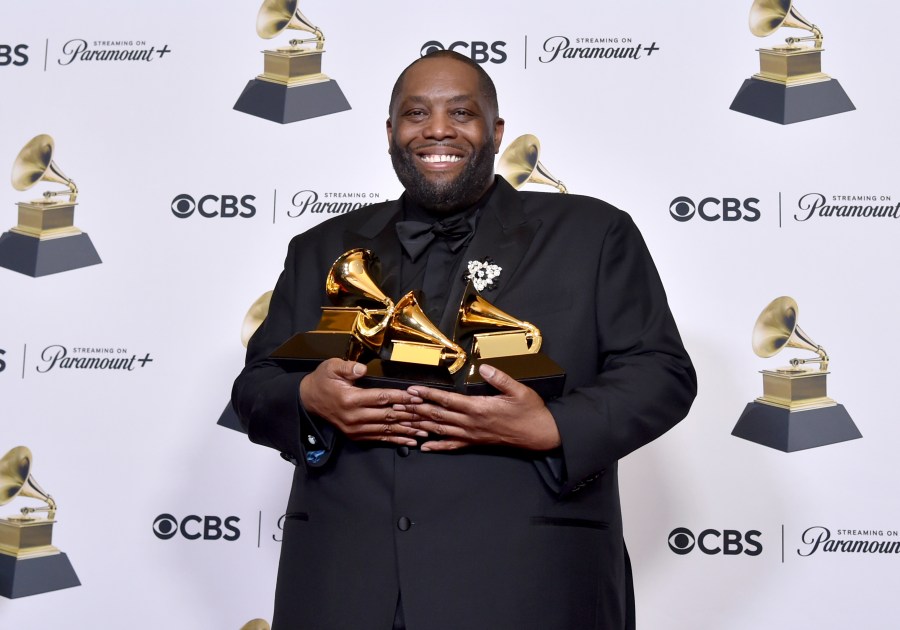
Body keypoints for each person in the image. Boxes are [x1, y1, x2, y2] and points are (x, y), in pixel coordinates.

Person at [232, 50, 696, 630]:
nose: (437, 130)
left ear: (495, 131)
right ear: (391, 133)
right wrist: (308, 399)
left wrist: (552, 427)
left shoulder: (594, 233)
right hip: (344, 587)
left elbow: (661, 372)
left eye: (462, 112)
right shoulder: (320, 248)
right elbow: (255, 389)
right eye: (415, 113)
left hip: (530, 585)